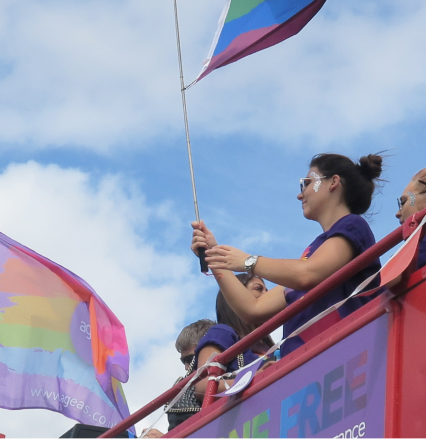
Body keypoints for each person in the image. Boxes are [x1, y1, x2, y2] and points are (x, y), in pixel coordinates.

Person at [193, 153, 385, 358]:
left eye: (307, 183)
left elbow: (307, 274)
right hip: (304, 372)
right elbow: (253, 309)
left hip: (345, 360)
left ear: (333, 182)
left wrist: (249, 261)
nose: (300, 195)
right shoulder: (312, 253)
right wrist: (215, 258)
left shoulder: (353, 225)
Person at [163, 320, 215, 430]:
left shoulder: (232, 373)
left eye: (190, 359)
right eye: (184, 361)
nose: (186, 367)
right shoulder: (181, 388)